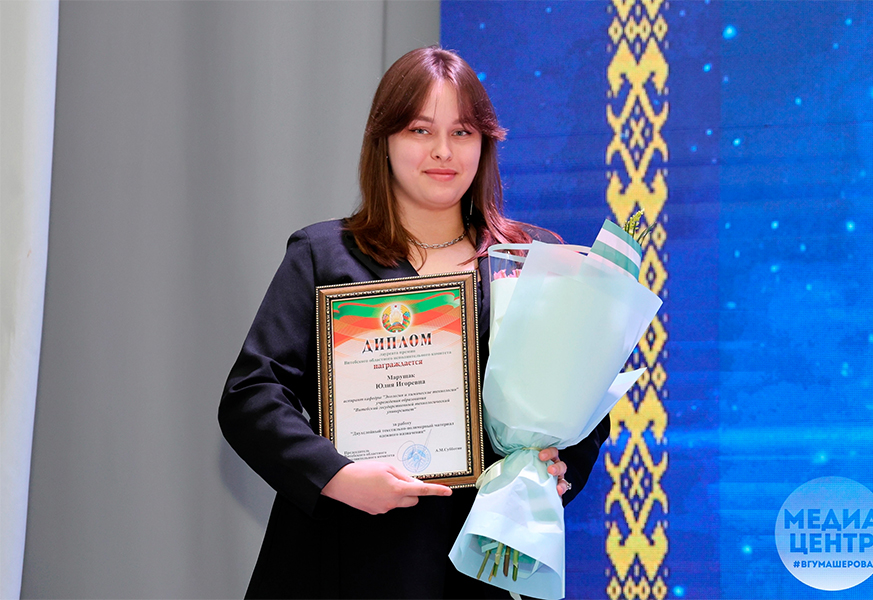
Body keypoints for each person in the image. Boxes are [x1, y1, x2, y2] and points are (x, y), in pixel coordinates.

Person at [218, 46, 610, 599]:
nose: (443, 151)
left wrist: (555, 468)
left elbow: (582, 403)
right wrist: (334, 475)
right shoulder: (323, 256)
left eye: (463, 132)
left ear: (485, 143)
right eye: (420, 130)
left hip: (479, 561)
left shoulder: (531, 259)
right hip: (346, 556)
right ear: (384, 141)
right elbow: (251, 396)